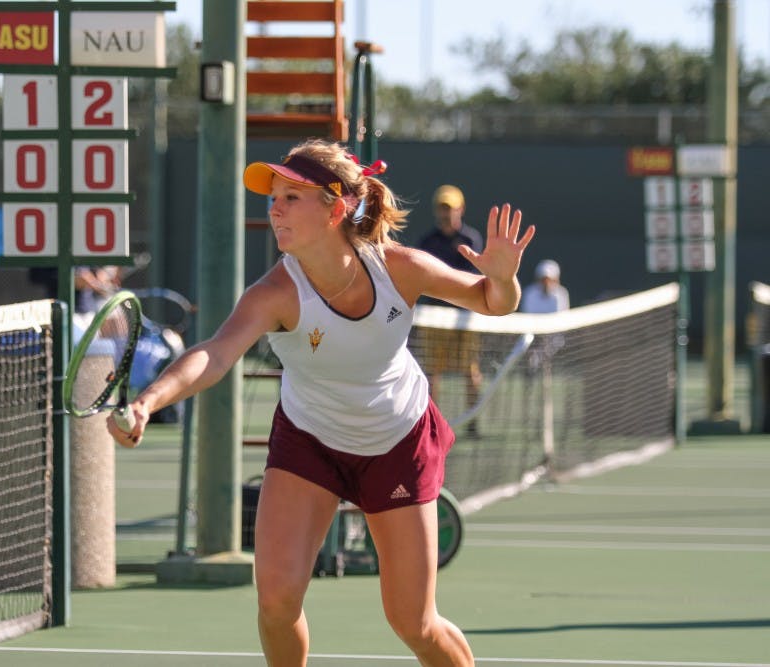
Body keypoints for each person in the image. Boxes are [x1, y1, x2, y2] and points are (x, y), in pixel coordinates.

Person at [106, 139, 535, 667]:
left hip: (398, 441)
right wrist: (149, 401)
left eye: (291, 197)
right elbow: (215, 354)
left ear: (336, 209)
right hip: (310, 443)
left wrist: (503, 276)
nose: (275, 209)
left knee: (414, 623)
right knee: (276, 601)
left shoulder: (400, 267)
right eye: (273, 198)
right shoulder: (273, 293)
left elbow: (494, 303)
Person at [414, 185, 484, 431]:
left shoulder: (471, 240)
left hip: (464, 318)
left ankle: (472, 422)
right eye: (442, 209)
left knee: (471, 372)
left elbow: (472, 279)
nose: (446, 214)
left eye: (451, 209)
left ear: (461, 210)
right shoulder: (427, 242)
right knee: (432, 373)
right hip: (434, 318)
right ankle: (433, 424)